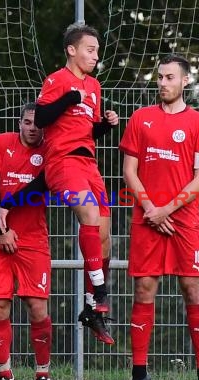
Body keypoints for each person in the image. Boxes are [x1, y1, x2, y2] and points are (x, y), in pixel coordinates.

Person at [119, 54, 199, 380]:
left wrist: (167, 210)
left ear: (185, 81)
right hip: (146, 219)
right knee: (144, 289)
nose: (163, 83)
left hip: (184, 222)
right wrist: (150, 208)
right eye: (159, 77)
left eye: (170, 77)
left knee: (192, 291)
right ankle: (139, 375)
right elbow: (129, 170)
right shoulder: (140, 119)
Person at [35, 23, 118, 345]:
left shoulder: (94, 86)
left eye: (97, 51)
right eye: (90, 50)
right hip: (62, 161)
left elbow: (87, 131)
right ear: (72, 50)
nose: (95, 56)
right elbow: (42, 119)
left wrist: (105, 126)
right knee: (88, 213)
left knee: (105, 234)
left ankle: (90, 310)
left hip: (88, 162)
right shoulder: (57, 81)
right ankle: (99, 289)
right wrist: (69, 97)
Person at [0, 103, 55, 380]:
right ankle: (4, 375)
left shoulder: (50, 150)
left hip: (33, 240)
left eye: (37, 123)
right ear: (19, 122)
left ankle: (43, 375)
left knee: (38, 309)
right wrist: (1, 232)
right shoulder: (0, 143)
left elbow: (42, 184)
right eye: (27, 122)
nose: (32, 128)